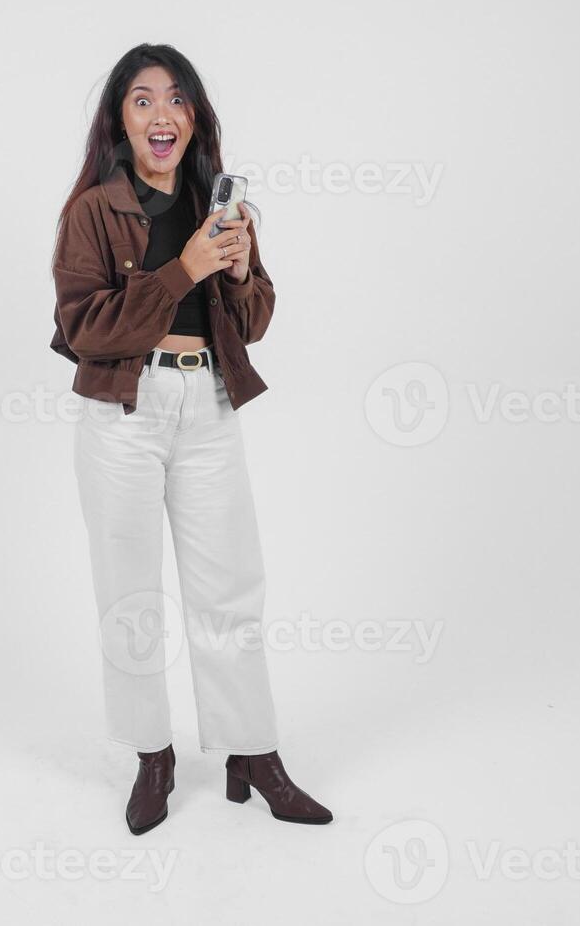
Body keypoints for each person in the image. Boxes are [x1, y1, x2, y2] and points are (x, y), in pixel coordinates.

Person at [49, 43, 333, 834]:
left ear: (195, 114)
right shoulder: (91, 214)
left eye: (175, 99)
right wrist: (182, 270)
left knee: (230, 587)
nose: (161, 114)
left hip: (208, 402)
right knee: (130, 596)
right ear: (120, 121)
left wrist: (238, 271)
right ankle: (152, 755)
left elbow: (257, 318)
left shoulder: (219, 204)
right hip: (124, 412)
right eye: (142, 100)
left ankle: (254, 753)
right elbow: (86, 328)